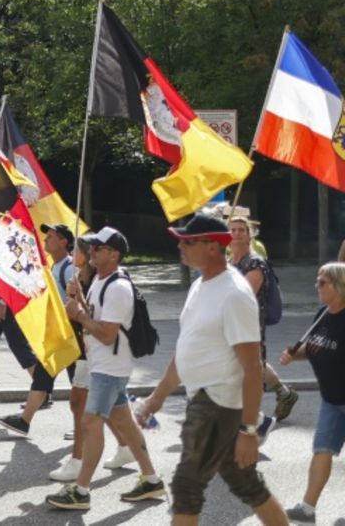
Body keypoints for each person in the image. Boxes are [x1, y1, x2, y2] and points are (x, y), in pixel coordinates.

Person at [134, 214, 288, 525]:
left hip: (217, 403)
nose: (181, 246)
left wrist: (248, 431)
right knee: (248, 485)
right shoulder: (199, 286)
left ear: (213, 247)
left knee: (186, 486)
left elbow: (253, 366)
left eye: (188, 242)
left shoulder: (234, 294)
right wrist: (156, 398)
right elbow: (186, 349)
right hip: (204, 399)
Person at [46, 226, 163, 511]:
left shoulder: (119, 287)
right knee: (124, 423)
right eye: (91, 247)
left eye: (97, 248)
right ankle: (151, 479)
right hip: (103, 363)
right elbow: (95, 315)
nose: (91, 252)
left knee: (90, 423)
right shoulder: (100, 279)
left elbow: (107, 333)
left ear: (114, 254)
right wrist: (78, 297)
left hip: (110, 366)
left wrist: (80, 315)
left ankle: (82, 490)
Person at [48, 235, 128, 482]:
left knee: (80, 404)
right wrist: (76, 298)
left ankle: (78, 465)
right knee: (113, 409)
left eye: (81, 250)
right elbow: (85, 311)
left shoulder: (106, 281)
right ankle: (133, 454)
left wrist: (78, 309)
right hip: (88, 349)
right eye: (88, 248)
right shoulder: (86, 279)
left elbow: (95, 320)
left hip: (98, 352)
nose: (78, 253)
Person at [0, 224, 74, 438]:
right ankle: (24, 421)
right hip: (57, 336)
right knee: (42, 376)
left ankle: (86, 426)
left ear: (64, 242)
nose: (46, 240)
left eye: (51, 237)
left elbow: (76, 303)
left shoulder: (69, 268)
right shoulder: (52, 266)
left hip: (73, 336)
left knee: (79, 384)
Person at [281, 262, 345, 522]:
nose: (316, 287)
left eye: (322, 283)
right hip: (331, 400)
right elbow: (314, 347)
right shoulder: (323, 314)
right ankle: (307, 508)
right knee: (322, 450)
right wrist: (294, 355)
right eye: (317, 281)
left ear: (340, 286)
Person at [227, 213, 299, 425]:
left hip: (248, 329)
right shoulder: (228, 262)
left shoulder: (255, 263)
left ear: (250, 236)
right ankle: (251, 418)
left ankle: (252, 425)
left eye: (242, 230)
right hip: (230, 327)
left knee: (250, 373)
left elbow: (244, 295)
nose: (237, 233)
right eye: (233, 230)